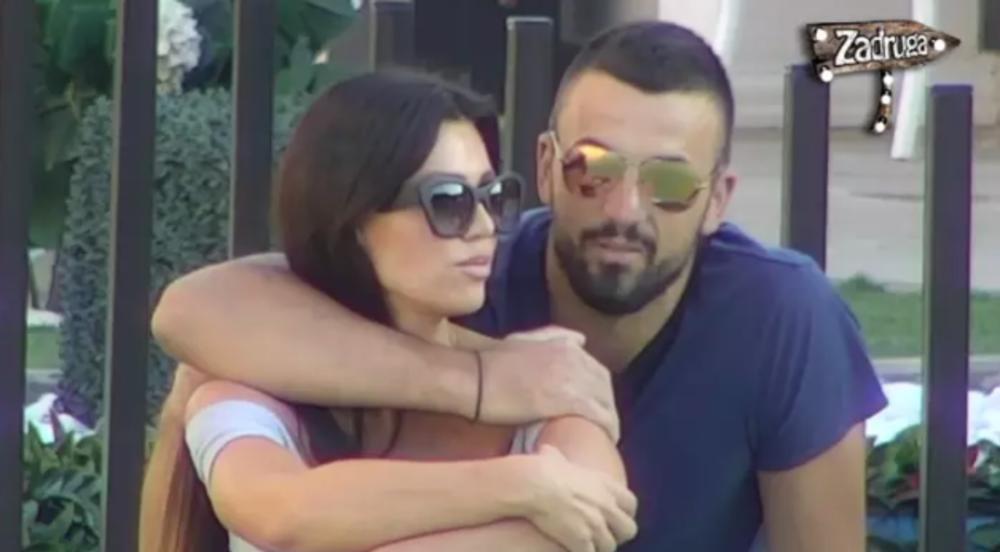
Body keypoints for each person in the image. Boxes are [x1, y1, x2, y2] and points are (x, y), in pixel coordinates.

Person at [145, 20, 888, 551]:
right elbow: (192, 315)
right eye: (592, 169)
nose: (624, 210)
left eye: (668, 183)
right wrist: (481, 382)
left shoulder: (781, 315)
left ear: (718, 200)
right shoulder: (470, 278)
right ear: (546, 166)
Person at [139, 70, 638, 552]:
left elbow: (594, 521)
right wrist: (516, 485)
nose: (484, 225)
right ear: (354, 219)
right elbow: (280, 513)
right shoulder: (255, 387)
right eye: (448, 201)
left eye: (492, 196)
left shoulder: (548, 384)